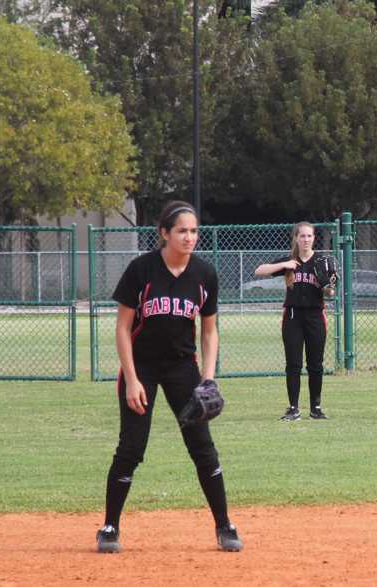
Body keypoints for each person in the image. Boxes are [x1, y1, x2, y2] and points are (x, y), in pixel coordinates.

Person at [96, 200, 242, 554]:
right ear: (164, 233)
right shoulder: (141, 270)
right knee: (131, 448)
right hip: (142, 366)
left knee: (202, 448)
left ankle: (224, 525)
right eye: (182, 231)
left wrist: (207, 379)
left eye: (193, 231)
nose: (189, 237)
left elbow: (209, 331)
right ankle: (109, 526)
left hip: (182, 368)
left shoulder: (204, 274)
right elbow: (122, 328)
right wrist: (131, 379)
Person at [253, 222, 335, 422]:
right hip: (292, 316)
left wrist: (327, 284)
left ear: (314, 238)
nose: (306, 240)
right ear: (296, 238)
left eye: (309, 236)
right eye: (302, 236)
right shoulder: (290, 261)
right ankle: (293, 408)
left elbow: (331, 293)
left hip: (316, 316)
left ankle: (316, 407)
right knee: (293, 364)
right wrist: (284, 265)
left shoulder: (321, 261)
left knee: (315, 364)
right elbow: (259, 271)